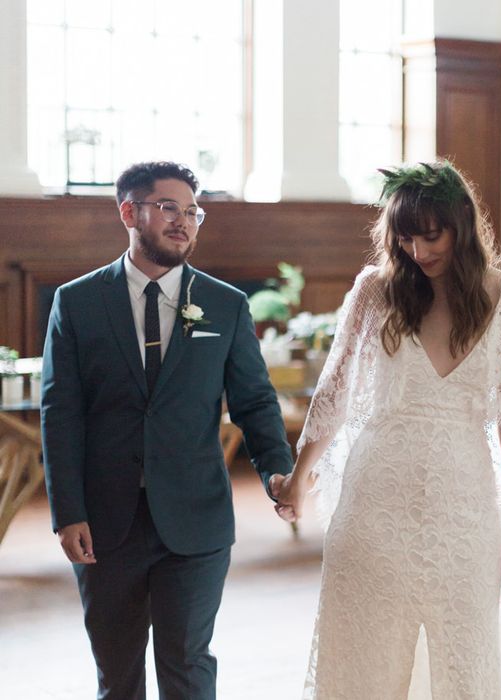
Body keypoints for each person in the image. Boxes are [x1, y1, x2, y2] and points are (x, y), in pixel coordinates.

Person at [277, 160, 501, 699]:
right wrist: (298, 479)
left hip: (465, 514)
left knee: (463, 664)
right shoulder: (374, 291)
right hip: (374, 508)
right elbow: (334, 395)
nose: (420, 253)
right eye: (406, 239)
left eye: (432, 236)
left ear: (462, 227)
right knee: (363, 664)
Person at [41, 161, 293, 699]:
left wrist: (277, 470)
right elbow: (60, 412)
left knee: (186, 665)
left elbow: (253, 400)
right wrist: (68, 511)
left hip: (196, 520)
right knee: (118, 673)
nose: (184, 221)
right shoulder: (78, 302)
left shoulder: (225, 305)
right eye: (168, 208)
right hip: (105, 523)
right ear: (129, 211)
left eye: (192, 211)